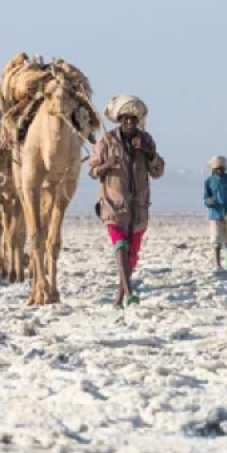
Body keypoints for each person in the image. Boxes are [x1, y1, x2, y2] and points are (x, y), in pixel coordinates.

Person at [88, 95, 165, 308]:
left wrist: (148, 153)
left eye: (133, 119)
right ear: (119, 120)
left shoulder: (146, 140)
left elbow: (158, 170)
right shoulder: (106, 141)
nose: (129, 123)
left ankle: (120, 296)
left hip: (138, 208)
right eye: (125, 119)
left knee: (131, 256)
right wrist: (107, 165)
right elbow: (92, 171)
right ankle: (130, 293)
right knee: (120, 245)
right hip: (113, 205)